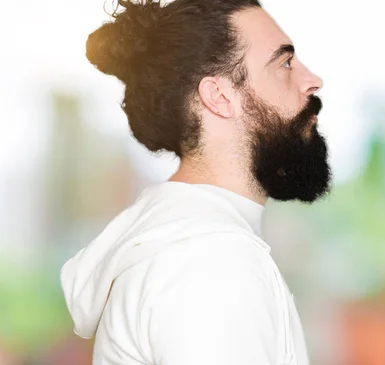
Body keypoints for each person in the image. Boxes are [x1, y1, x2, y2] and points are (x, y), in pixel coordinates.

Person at [59, 0, 332, 364]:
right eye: (284, 63)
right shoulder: (209, 263)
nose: (312, 80)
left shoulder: (196, 249)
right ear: (219, 97)